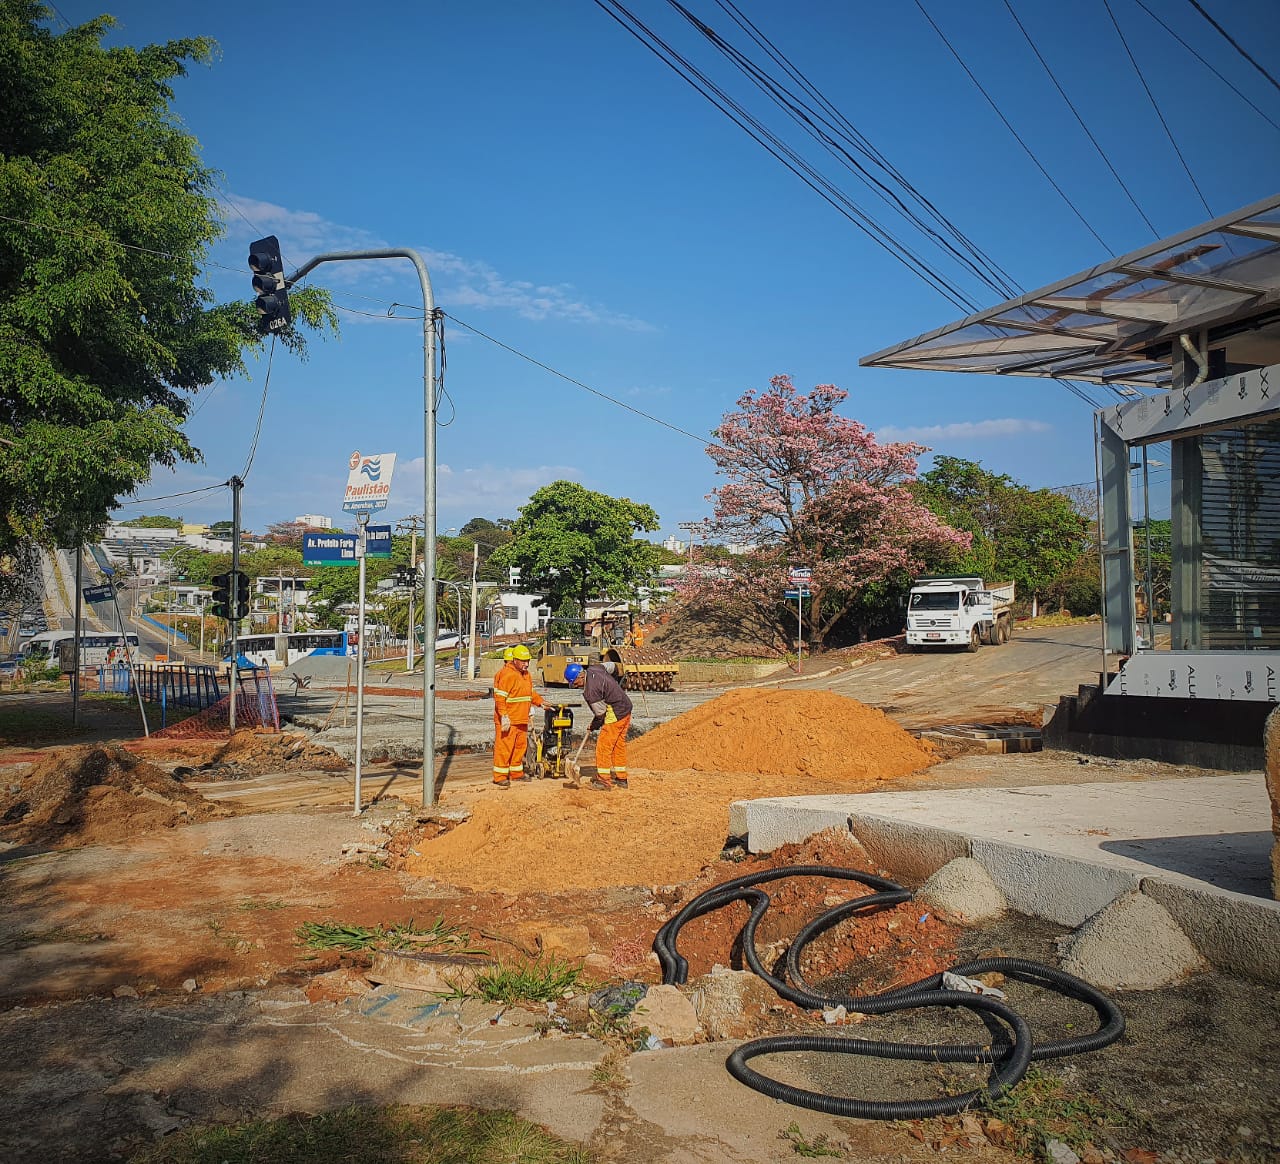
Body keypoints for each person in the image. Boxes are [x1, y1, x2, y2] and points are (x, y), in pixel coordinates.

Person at [567, 654, 633, 791]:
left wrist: (594, 725)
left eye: (574, 683)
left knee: (603, 746)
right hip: (626, 707)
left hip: (615, 713)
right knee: (617, 746)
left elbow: (600, 714)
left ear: (579, 677)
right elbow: (613, 666)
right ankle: (622, 779)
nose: (574, 686)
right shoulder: (595, 668)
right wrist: (614, 681)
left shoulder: (590, 692)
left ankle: (603, 781)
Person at [491, 644, 544, 787]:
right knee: (504, 748)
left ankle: (516, 773)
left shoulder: (526, 676)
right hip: (509, 719)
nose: (526, 664)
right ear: (514, 660)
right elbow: (500, 698)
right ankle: (500, 776)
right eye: (523, 661)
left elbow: (530, 694)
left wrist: (541, 703)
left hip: (521, 719)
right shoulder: (507, 675)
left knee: (520, 747)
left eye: (528, 661)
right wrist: (504, 715)